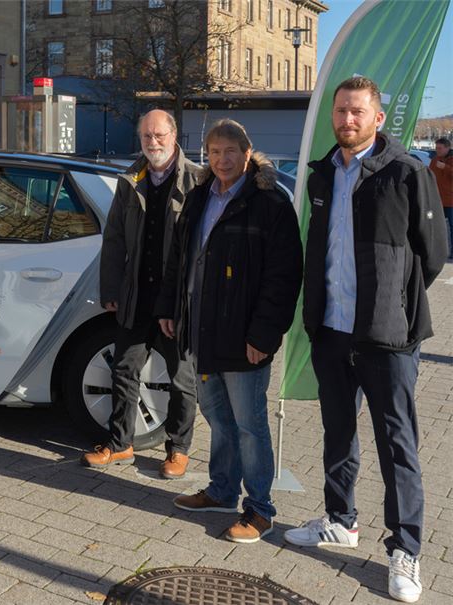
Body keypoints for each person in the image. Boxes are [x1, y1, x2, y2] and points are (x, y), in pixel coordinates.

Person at [283, 77, 447, 604]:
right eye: (341, 112)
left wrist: (393, 307)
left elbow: (432, 254)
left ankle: (406, 549)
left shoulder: (406, 172)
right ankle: (339, 519)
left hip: (386, 338)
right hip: (332, 330)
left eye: (358, 112)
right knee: (336, 433)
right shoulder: (323, 174)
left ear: (378, 118)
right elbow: (319, 248)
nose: (347, 120)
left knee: (397, 444)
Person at [155, 119, 302, 544]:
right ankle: (221, 490)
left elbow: (284, 275)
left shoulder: (269, 202)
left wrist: (264, 335)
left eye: (230, 152)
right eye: (215, 152)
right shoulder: (200, 197)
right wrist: (169, 306)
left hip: (244, 339)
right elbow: (178, 260)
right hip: (202, 331)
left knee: (250, 425)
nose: (222, 159)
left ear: (247, 152)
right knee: (219, 418)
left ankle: (259, 509)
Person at [81, 109, 200, 479]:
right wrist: (111, 288)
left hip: (175, 301)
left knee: (182, 379)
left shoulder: (197, 180)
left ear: (174, 135)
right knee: (124, 370)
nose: (153, 143)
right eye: (147, 136)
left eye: (160, 135)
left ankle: (178, 449)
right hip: (137, 296)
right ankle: (120, 445)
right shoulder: (131, 179)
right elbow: (114, 238)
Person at [428, 137, 452, 260]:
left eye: (440, 148)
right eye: (436, 148)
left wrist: (446, 168)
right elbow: (429, 176)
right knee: (435, 226)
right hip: (437, 200)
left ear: (447, 148)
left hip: (451, 201)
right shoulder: (435, 160)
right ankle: (437, 251)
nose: (437, 150)